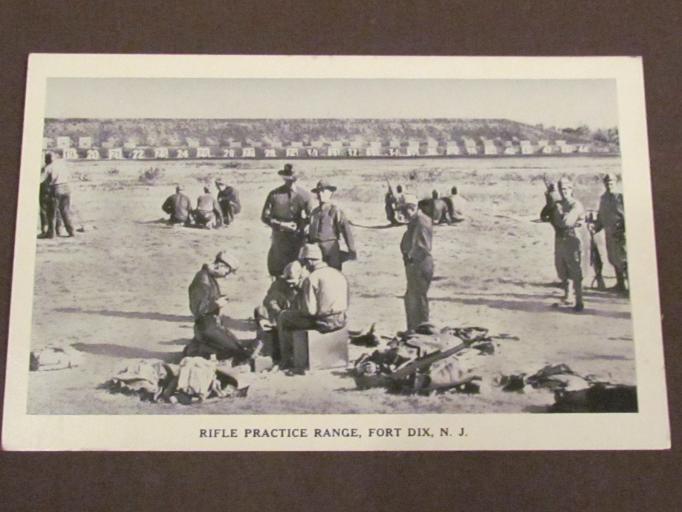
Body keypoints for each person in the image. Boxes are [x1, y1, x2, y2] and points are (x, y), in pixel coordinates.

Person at [277, 244, 349, 369]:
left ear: (309, 261)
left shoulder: (312, 278)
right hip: (341, 319)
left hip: (324, 322)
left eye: (304, 262)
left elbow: (309, 311)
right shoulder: (338, 274)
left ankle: (287, 359)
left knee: (284, 317)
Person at [185, 251, 255, 362]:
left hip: (211, 325)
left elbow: (206, 299)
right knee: (240, 353)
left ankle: (199, 349)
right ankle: (199, 351)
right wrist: (217, 304)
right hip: (207, 328)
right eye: (227, 273)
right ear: (220, 265)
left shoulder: (208, 277)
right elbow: (198, 310)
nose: (226, 277)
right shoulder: (203, 281)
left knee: (238, 345)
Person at [261, 163, 315, 277]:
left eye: (293, 178)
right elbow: (265, 217)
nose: (290, 181)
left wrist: (303, 226)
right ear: (284, 178)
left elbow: (312, 218)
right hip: (279, 239)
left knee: (296, 270)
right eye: (287, 178)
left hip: (297, 240)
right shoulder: (274, 194)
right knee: (277, 270)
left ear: (297, 178)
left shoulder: (305, 195)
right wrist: (281, 225)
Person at [546, 177, 587, 312]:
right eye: (561, 189)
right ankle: (568, 296)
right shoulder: (558, 203)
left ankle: (579, 301)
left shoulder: (575, 205)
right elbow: (544, 215)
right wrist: (549, 198)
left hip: (572, 238)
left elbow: (566, 222)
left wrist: (556, 210)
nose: (564, 192)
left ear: (571, 189)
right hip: (560, 238)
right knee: (562, 268)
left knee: (575, 269)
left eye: (566, 189)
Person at [254, 260, 305, 361]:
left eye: (292, 282)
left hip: (296, 318)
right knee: (260, 310)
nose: (290, 285)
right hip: (279, 316)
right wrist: (276, 310)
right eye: (287, 282)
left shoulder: (306, 284)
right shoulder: (278, 284)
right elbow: (268, 300)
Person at [400, 194, 434, 331]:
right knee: (411, 298)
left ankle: (421, 331)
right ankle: (413, 329)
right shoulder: (417, 220)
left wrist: (410, 257)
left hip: (419, 264)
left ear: (412, 208)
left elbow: (422, 247)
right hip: (415, 264)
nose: (403, 214)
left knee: (418, 299)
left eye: (405, 210)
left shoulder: (421, 221)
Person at [590, 173, 627, 294]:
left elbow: (627, 217)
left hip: (621, 234)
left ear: (615, 183)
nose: (609, 185)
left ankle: (631, 287)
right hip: (609, 233)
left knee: (624, 260)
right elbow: (601, 217)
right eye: (607, 183)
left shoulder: (621, 197)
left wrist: (623, 231)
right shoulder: (604, 198)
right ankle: (620, 285)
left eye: (611, 183)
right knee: (613, 258)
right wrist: (595, 227)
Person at [308, 179, 357, 270]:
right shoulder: (314, 212)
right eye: (318, 192)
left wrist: (351, 250)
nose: (320, 194)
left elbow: (346, 230)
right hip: (315, 251)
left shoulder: (335, 211)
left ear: (330, 193)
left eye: (323, 191)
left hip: (331, 250)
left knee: (333, 276)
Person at [40, 151, 75, 238]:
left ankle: (51, 234)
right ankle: (71, 231)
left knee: (51, 212)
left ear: (48, 159)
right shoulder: (62, 166)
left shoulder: (49, 167)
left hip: (56, 188)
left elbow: (41, 180)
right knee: (65, 211)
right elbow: (69, 176)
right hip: (66, 187)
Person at [39, 153, 62, 236]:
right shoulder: (58, 167)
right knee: (56, 209)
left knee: (44, 210)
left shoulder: (45, 168)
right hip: (55, 190)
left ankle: (45, 230)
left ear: (46, 160)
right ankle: (58, 229)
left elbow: (40, 180)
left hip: (45, 191)